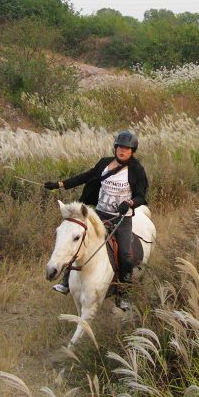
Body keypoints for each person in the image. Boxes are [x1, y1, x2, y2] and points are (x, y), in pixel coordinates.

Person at [44, 130, 148, 311]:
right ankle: (67, 281)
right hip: (98, 214)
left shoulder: (137, 170)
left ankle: (124, 294)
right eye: (120, 147)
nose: (122, 151)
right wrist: (59, 185)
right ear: (115, 148)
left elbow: (141, 196)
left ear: (132, 151)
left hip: (121, 218)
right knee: (78, 241)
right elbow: (85, 176)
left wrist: (130, 203)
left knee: (124, 254)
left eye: (127, 149)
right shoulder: (104, 164)